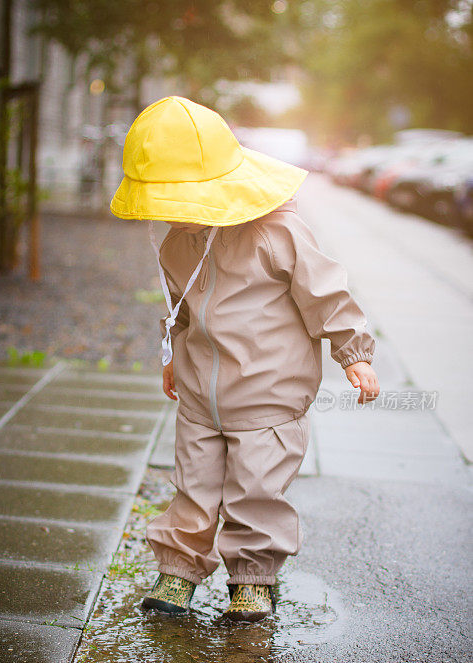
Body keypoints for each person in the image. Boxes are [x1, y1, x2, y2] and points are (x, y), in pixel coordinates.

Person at [110, 96, 380, 622]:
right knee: (193, 486)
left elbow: (325, 293)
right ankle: (179, 569)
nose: (166, 214)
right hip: (199, 397)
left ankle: (253, 578)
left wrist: (354, 353)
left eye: (174, 201)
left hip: (267, 394)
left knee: (256, 490)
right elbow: (180, 305)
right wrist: (173, 353)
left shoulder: (274, 232)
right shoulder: (176, 244)